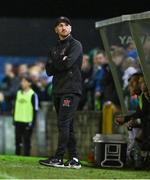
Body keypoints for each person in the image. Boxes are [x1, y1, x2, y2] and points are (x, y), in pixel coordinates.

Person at [39, 16, 83, 169]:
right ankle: (74, 159)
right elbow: (49, 70)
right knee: (67, 125)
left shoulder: (76, 45)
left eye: (66, 25)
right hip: (58, 90)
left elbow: (68, 63)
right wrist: (61, 60)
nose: (63, 27)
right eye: (60, 25)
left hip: (71, 90)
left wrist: (59, 61)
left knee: (63, 123)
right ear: (56, 29)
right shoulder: (54, 48)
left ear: (70, 28)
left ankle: (58, 158)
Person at [13, 74, 39, 156]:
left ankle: (26, 156)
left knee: (27, 141)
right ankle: (17, 156)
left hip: (28, 122)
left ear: (29, 83)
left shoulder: (33, 94)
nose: (22, 83)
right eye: (22, 81)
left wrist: (33, 123)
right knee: (17, 141)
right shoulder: (18, 93)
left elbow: (35, 110)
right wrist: (13, 119)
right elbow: (15, 107)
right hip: (18, 121)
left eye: (24, 81)